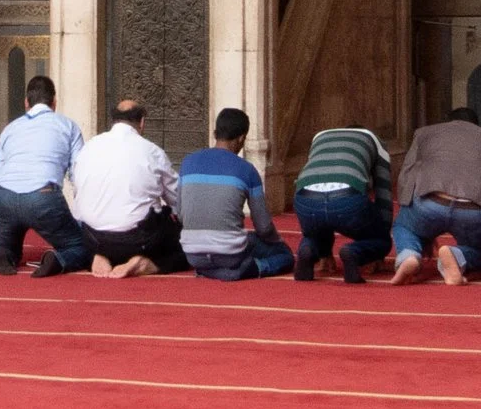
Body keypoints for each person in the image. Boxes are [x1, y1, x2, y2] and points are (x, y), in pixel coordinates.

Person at [389, 105, 481, 285]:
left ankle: (408, 256)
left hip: (430, 201)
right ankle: (457, 256)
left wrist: (413, 220)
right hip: (474, 210)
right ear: (476, 126)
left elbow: (406, 176)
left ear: (447, 122)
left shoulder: (424, 133)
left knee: (403, 226)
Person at [65, 99, 182, 277]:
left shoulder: (89, 148)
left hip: (93, 237)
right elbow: (178, 199)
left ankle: (98, 256)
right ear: (142, 122)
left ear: (114, 120)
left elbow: (78, 193)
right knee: (185, 245)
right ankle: (144, 264)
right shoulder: (152, 151)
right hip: (138, 240)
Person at [0, 75, 90, 276]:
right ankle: (58, 259)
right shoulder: (68, 126)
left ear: (26, 102)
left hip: (4, 196)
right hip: (42, 197)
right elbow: (79, 174)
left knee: (6, 245)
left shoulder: (10, 129)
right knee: (81, 248)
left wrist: (1, 203)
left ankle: (2, 254)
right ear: (54, 102)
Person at [178, 108, 293, 280]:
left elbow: (180, 214)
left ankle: (209, 270)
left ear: (215, 133)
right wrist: (277, 242)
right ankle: (250, 269)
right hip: (230, 254)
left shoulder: (187, 163)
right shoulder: (246, 170)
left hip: (193, 254)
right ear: (241, 138)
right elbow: (264, 227)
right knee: (284, 256)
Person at [291, 121, 395, 283]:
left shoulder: (320, 137)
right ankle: (354, 252)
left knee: (315, 230)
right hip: (347, 196)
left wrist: (326, 252)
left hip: (305, 197)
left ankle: (309, 250)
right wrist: (380, 241)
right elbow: (384, 196)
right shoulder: (375, 141)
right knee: (381, 239)